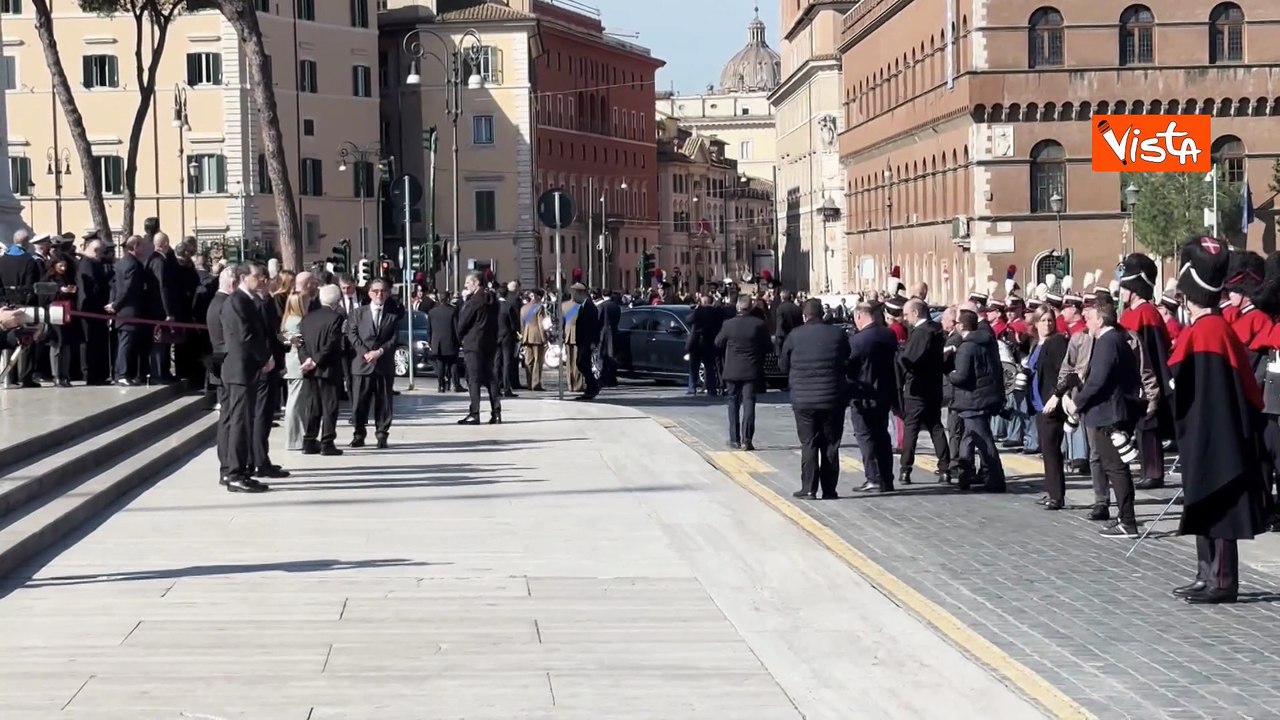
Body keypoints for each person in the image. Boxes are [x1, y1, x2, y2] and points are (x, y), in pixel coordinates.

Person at [1168, 235, 1269, 604]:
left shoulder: (1209, 330)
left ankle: (1223, 579)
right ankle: (1205, 572)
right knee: (1203, 499)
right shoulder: (1214, 328)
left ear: (1188, 296)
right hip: (1207, 431)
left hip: (1218, 434)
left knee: (1221, 504)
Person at [1074, 299, 1142, 537]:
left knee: (1115, 468)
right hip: (1113, 410)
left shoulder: (1108, 341)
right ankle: (1124, 517)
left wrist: (1077, 403)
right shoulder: (1116, 340)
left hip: (1109, 413)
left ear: (1101, 320)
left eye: (1090, 318)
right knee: (1114, 466)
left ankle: (1128, 521)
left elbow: (1098, 380)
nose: (1087, 322)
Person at [779, 298, 850, 500]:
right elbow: (847, 359)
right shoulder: (837, 334)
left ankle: (809, 488)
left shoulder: (795, 335)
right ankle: (829, 489)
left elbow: (783, 366)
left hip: (804, 400)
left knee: (809, 443)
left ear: (804, 316)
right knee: (831, 444)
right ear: (822, 314)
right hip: (832, 398)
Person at [1117, 252, 1173, 490]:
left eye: (1124, 287)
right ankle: (1145, 469)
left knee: (1149, 426)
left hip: (1145, 377)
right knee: (1140, 427)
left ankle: (1154, 471)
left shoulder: (1146, 313)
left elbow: (1151, 351)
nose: (1121, 291)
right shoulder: (1131, 312)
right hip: (1132, 378)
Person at [219, 263, 273, 494]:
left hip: (246, 370)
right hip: (239, 370)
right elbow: (246, 335)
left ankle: (241, 470)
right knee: (239, 423)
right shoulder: (237, 301)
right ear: (243, 277)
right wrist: (265, 358)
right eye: (257, 276)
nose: (261, 280)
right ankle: (234, 474)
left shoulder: (248, 300)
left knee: (244, 421)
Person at [949, 306, 1006, 492]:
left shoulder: (967, 347)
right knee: (969, 437)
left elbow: (962, 376)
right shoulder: (988, 341)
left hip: (973, 399)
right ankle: (964, 476)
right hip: (986, 396)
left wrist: (949, 373)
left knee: (983, 440)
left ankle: (996, 479)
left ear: (961, 325)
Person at [896, 298, 950, 485]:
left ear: (915, 313)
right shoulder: (937, 330)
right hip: (934, 386)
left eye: (907, 314)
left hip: (916, 388)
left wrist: (900, 358)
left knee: (911, 428)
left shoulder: (920, 332)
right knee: (936, 427)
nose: (905, 318)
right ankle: (945, 469)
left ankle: (905, 469)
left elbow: (908, 360)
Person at [847, 301, 899, 493]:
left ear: (860, 316)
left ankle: (873, 476)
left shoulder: (858, 340)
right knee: (882, 435)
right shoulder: (888, 334)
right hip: (884, 392)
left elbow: (849, 366)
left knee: (864, 435)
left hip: (863, 394)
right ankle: (886, 478)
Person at [347, 279, 398, 448]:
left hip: (383, 365)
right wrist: (366, 353)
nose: (379, 294)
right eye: (376, 291)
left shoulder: (392, 315)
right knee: (359, 403)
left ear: (387, 294)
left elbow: (394, 338)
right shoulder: (358, 313)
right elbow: (352, 335)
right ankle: (359, 434)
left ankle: (382, 434)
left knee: (384, 403)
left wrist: (379, 352)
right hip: (362, 365)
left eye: (383, 291)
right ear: (369, 293)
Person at [715, 294, 771, 450]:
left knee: (733, 402)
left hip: (732, 370)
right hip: (751, 370)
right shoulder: (758, 324)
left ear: (738, 307)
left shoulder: (728, 324)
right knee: (749, 403)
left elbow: (718, 343)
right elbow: (768, 346)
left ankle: (734, 439)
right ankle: (747, 440)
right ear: (751, 307)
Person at [298, 284, 346, 457]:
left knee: (313, 406)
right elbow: (332, 343)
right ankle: (327, 442)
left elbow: (301, 343)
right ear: (337, 301)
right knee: (330, 406)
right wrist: (316, 360)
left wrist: (307, 360)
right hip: (328, 369)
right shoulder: (336, 318)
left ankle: (309, 440)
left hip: (310, 370)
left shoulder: (307, 318)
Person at [1030, 307, 1069, 509]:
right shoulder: (1036, 344)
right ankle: (1051, 490)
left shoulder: (1057, 342)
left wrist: (1057, 395)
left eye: (1050, 320)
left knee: (1051, 448)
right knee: (1046, 449)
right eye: (1043, 320)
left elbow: (1064, 372)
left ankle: (1057, 496)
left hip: (1051, 402)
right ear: (1036, 323)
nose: (1047, 324)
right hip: (1038, 402)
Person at [106, 235, 152, 387]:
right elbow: (128, 288)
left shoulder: (121, 263)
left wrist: (113, 303)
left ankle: (122, 373)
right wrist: (116, 305)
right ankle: (122, 374)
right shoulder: (133, 264)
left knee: (125, 343)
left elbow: (115, 285)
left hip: (123, 310)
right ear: (135, 246)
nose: (144, 248)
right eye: (142, 245)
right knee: (126, 343)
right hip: (129, 310)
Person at [457, 272, 502, 425]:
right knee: (490, 378)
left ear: (476, 283)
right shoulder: (492, 299)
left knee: (473, 378)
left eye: (468, 283)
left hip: (473, 343)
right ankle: (496, 412)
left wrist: (459, 337)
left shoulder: (474, 301)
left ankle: (474, 413)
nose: (465, 286)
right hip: (489, 342)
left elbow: (463, 323)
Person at [206, 267, 235, 484]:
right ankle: (227, 465)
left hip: (222, 364)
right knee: (228, 419)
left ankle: (229, 464)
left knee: (228, 417)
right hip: (226, 365)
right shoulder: (224, 304)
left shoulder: (218, 302)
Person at [75, 236, 111, 385]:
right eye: (101, 252)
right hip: (90, 311)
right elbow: (91, 289)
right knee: (91, 343)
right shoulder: (87, 265)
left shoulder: (91, 264)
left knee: (97, 343)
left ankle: (98, 374)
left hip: (95, 311)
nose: (102, 256)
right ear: (96, 251)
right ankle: (92, 374)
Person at [279, 293, 309, 451]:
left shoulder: (287, 319)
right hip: (298, 363)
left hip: (290, 363)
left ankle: (298, 437)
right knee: (296, 403)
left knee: (295, 401)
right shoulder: (298, 321)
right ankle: (295, 439)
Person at [563, 282, 601, 400]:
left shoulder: (590, 307)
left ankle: (592, 387)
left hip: (586, 341)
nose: (573, 297)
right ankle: (592, 387)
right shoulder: (583, 306)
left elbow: (594, 326)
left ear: (581, 293)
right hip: (582, 341)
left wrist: (593, 342)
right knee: (581, 363)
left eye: (574, 294)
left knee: (582, 363)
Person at [687, 293, 724, 396]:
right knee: (709, 366)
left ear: (702, 302)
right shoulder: (717, 313)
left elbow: (688, 320)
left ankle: (692, 388)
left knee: (694, 366)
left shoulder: (699, 312)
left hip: (698, 342)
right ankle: (712, 389)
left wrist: (696, 309)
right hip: (711, 341)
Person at [428, 291, 462, 393]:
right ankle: (455, 385)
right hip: (450, 342)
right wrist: (459, 341)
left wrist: (430, 342)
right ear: (448, 299)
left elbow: (429, 329)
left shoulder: (432, 312)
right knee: (453, 364)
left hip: (437, 343)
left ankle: (441, 385)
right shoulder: (452, 311)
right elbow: (456, 328)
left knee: (440, 365)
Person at [494, 280, 521, 397]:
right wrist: (516, 334)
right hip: (507, 337)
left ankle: (496, 387)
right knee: (506, 363)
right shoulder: (508, 307)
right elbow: (513, 324)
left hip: (496, 336)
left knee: (496, 362)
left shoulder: (493, 307)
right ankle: (506, 388)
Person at [520, 289, 548, 391]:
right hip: (537, 336)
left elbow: (522, 324)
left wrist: (523, 336)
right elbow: (541, 324)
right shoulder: (539, 307)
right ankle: (536, 384)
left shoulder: (523, 308)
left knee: (528, 360)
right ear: (538, 296)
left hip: (527, 336)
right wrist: (544, 338)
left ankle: (529, 383)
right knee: (538, 360)